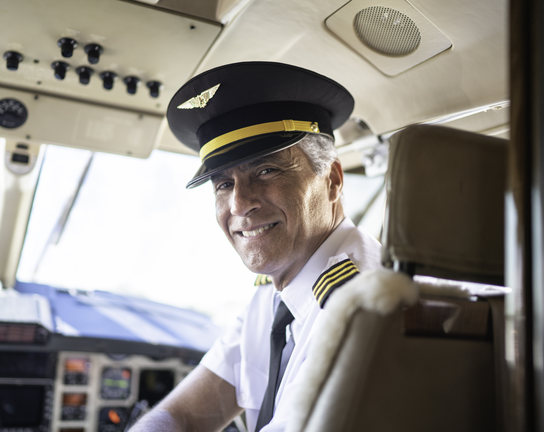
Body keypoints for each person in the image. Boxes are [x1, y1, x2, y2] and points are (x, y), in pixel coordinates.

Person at [131, 62, 382, 432]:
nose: (239, 204)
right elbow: (181, 415)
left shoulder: (356, 310)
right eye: (222, 184)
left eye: (266, 171)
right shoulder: (277, 296)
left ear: (332, 180)